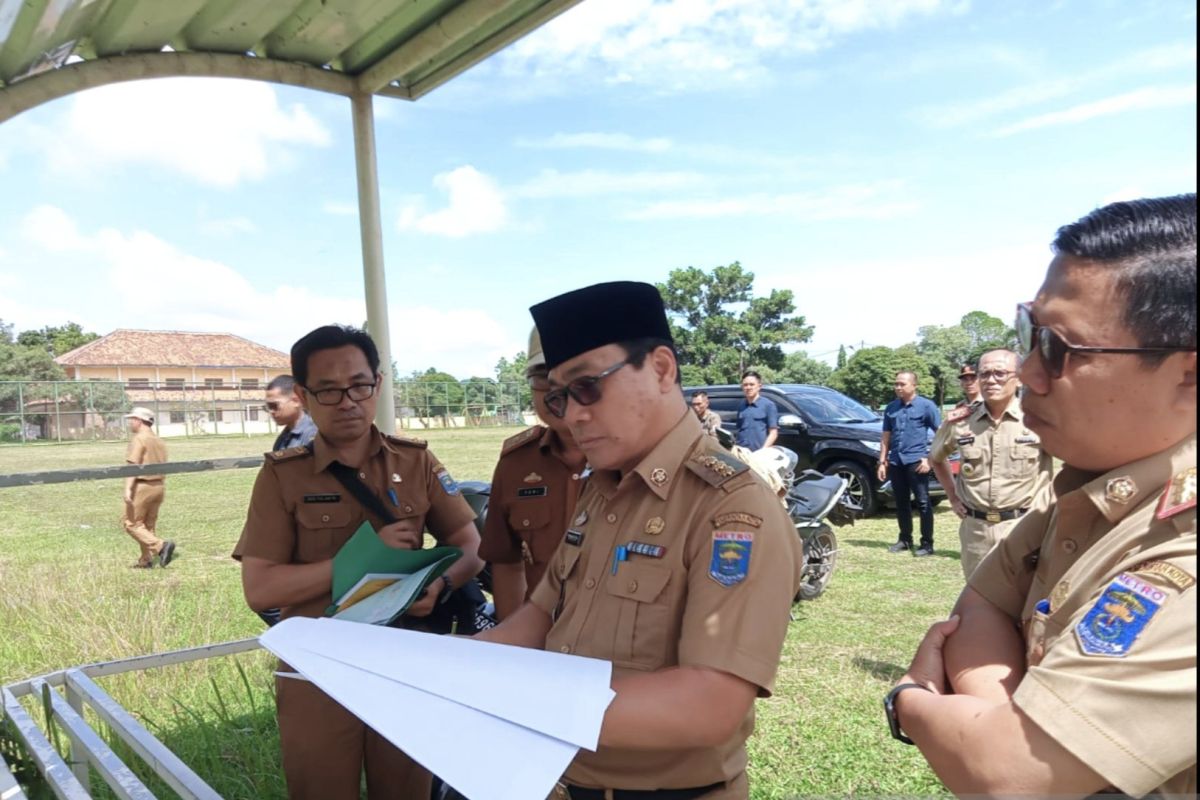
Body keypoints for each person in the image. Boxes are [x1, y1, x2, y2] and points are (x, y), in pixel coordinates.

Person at [888, 193, 1196, 797]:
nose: (1027, 372)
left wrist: (909, 701)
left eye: (1057, 348)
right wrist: (1001, 718)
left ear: (1188, 374)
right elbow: (977, 605)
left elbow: (1006, 775)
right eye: (1031, 333)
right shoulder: (1091, 496)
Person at [477, 281, 803, 799]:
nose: (571, 415)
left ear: (661, 369)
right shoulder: (604, 490)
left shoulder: (729, 508)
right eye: (559, 396)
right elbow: (540, 617)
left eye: (587, 386)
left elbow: (709, 705)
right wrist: (450, 664)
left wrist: (511, 697)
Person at [233, 324, 484, 800]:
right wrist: (357, 560)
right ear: (304, 395)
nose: (347, 400)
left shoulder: (416, 463)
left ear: (378, 385)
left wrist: (440, 585)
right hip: (316, 666)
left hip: (405, 657)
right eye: (328, 390)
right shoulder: (282, 476)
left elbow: (471, 546)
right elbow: (261, 589)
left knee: (406, 790)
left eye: (359, 385)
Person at [478, 326, 587, 621]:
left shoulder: (636, 462)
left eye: (575, 375)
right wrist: (516, 651)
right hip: (540, 640)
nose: (557, 388)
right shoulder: (517, 463)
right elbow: (507, 563)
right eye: (543, 375)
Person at [929, 350, 1053, 578]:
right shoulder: (961, 421)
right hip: (977, 532)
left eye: (1000, 373)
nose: (990, 380)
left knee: (1027, 605)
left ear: (1018, 378)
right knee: (979, 604)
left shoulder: (1040, 418)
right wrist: (953, 496)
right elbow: (936, 458)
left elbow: (1077, 462)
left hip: (1025, 528)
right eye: (984, 374)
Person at [877, 372, 941, 556]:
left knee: (922, 502)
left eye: (902, 384)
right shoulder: (891, 408)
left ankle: (927, 544)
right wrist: (882, 462)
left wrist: (929, 458)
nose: (898, 387)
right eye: (896, 384)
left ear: (914, 385)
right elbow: (886, 437)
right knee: (901, 502)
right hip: (896, 461)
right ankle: (905, 539)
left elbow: (941, 434)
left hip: (916, 461)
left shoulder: (927, 406)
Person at [121, 406, 175, 568]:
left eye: (132, 419)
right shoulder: (158, 440)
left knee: (131, 523)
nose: (130, 423)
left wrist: (128, 488)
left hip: (143, 486)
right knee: (147, 526)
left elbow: (134, 465)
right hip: (158, 486)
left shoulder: (139, 439)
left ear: (139, 421)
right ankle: (146, 560)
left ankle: (161, 546)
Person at [265, 374, 318, 451]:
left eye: (274, 405)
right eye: (268, 406)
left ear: (296, 401)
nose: (271, 411)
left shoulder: (313, 435)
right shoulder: (283, 437)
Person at [734, 370, 778, 451]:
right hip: (741, 452)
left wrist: (763, 451)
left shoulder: (768, 405)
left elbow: (773, 433)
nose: (748, 387)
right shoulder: (741, 406)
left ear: (759, 386)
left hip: (759, 454)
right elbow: (739, 430)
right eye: (745, 385)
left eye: (752, 384)